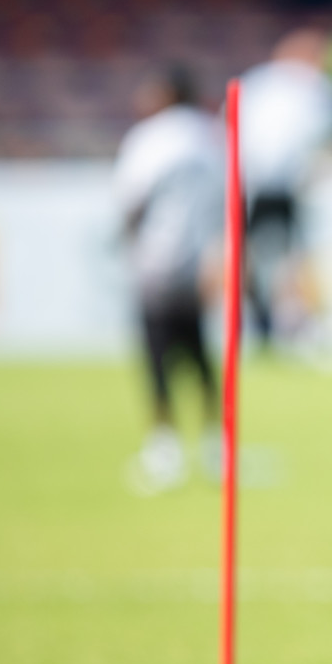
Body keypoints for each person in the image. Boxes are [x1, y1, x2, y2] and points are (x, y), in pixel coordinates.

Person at [115, 66, 224, 492]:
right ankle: (218, 445)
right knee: (200, 354)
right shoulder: (211, 136)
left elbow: (129, 199)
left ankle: (165, 447)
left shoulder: (150, 137)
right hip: (203, 261)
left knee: (158, 355)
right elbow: (231, 199)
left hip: (156, 261)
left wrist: (130, 247)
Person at [237, 28, 332, 348]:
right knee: (295, 257)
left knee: (250, 255)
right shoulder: (316, 87)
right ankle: (295, 322)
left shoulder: (257, 81)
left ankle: (264, 318)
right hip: (282, 184)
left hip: (250, 181)